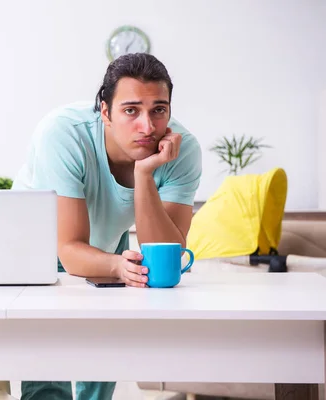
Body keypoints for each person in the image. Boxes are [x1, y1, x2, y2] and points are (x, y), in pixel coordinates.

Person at [11, 52, 203, 400]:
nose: (147, 126)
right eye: (131, 110)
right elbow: (68, 247)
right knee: (48, 360)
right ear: (104, 111)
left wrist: (145, 172)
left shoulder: (181, 151)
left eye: (159, 109)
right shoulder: (63, 133)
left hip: (105, 240)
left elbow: (166, 256)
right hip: (38, 242)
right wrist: (116, 265)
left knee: (101, 350)